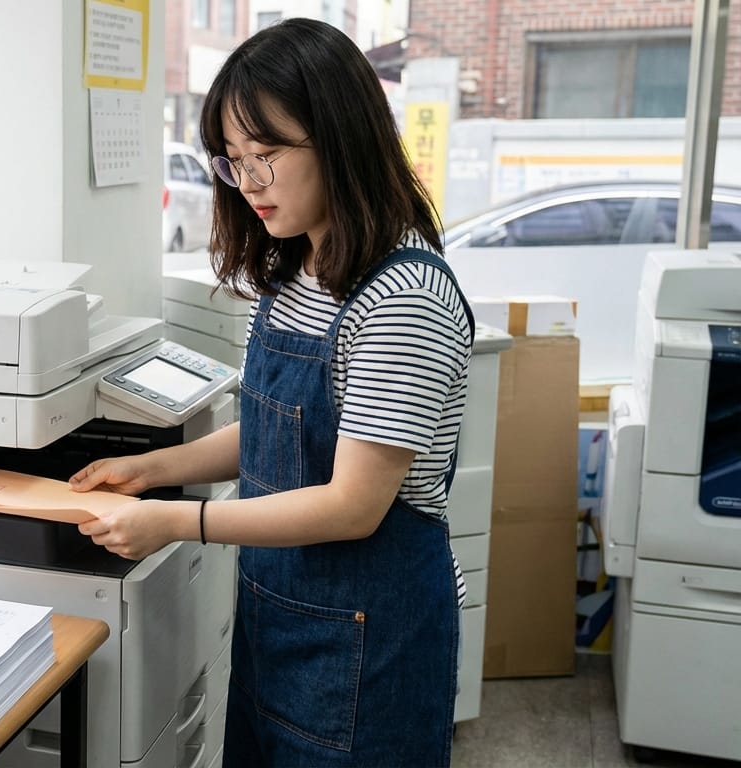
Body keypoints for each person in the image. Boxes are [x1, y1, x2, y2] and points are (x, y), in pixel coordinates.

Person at [69, 18, 473, 767]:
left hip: (369, 640)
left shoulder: (402, 297)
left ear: (341, 137)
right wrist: (154, 469)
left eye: (268, 156)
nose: (249, 182)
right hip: (279, 620)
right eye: (232, 161)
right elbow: (277, 430)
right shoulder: (296, 273)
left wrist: (172, 522)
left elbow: (352, 504)